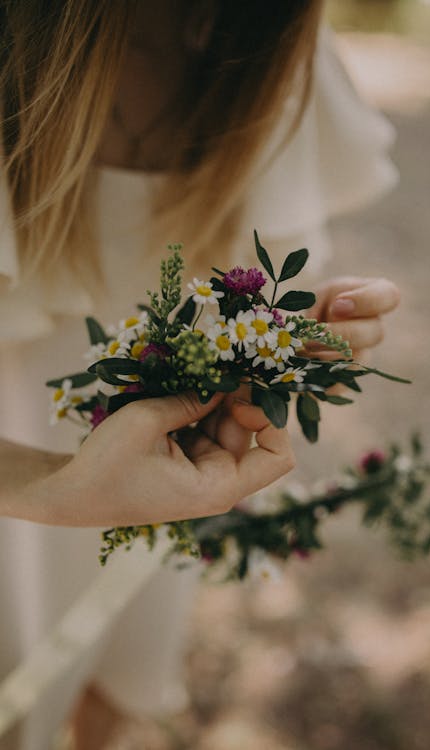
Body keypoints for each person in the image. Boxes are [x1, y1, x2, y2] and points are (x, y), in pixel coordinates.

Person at [0, 2, 400, 748]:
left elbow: (259, 268)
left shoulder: (275, 44)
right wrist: (43, 486)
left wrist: (293, 351)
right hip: (13, 455)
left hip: (171, 454)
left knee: (127, 653)